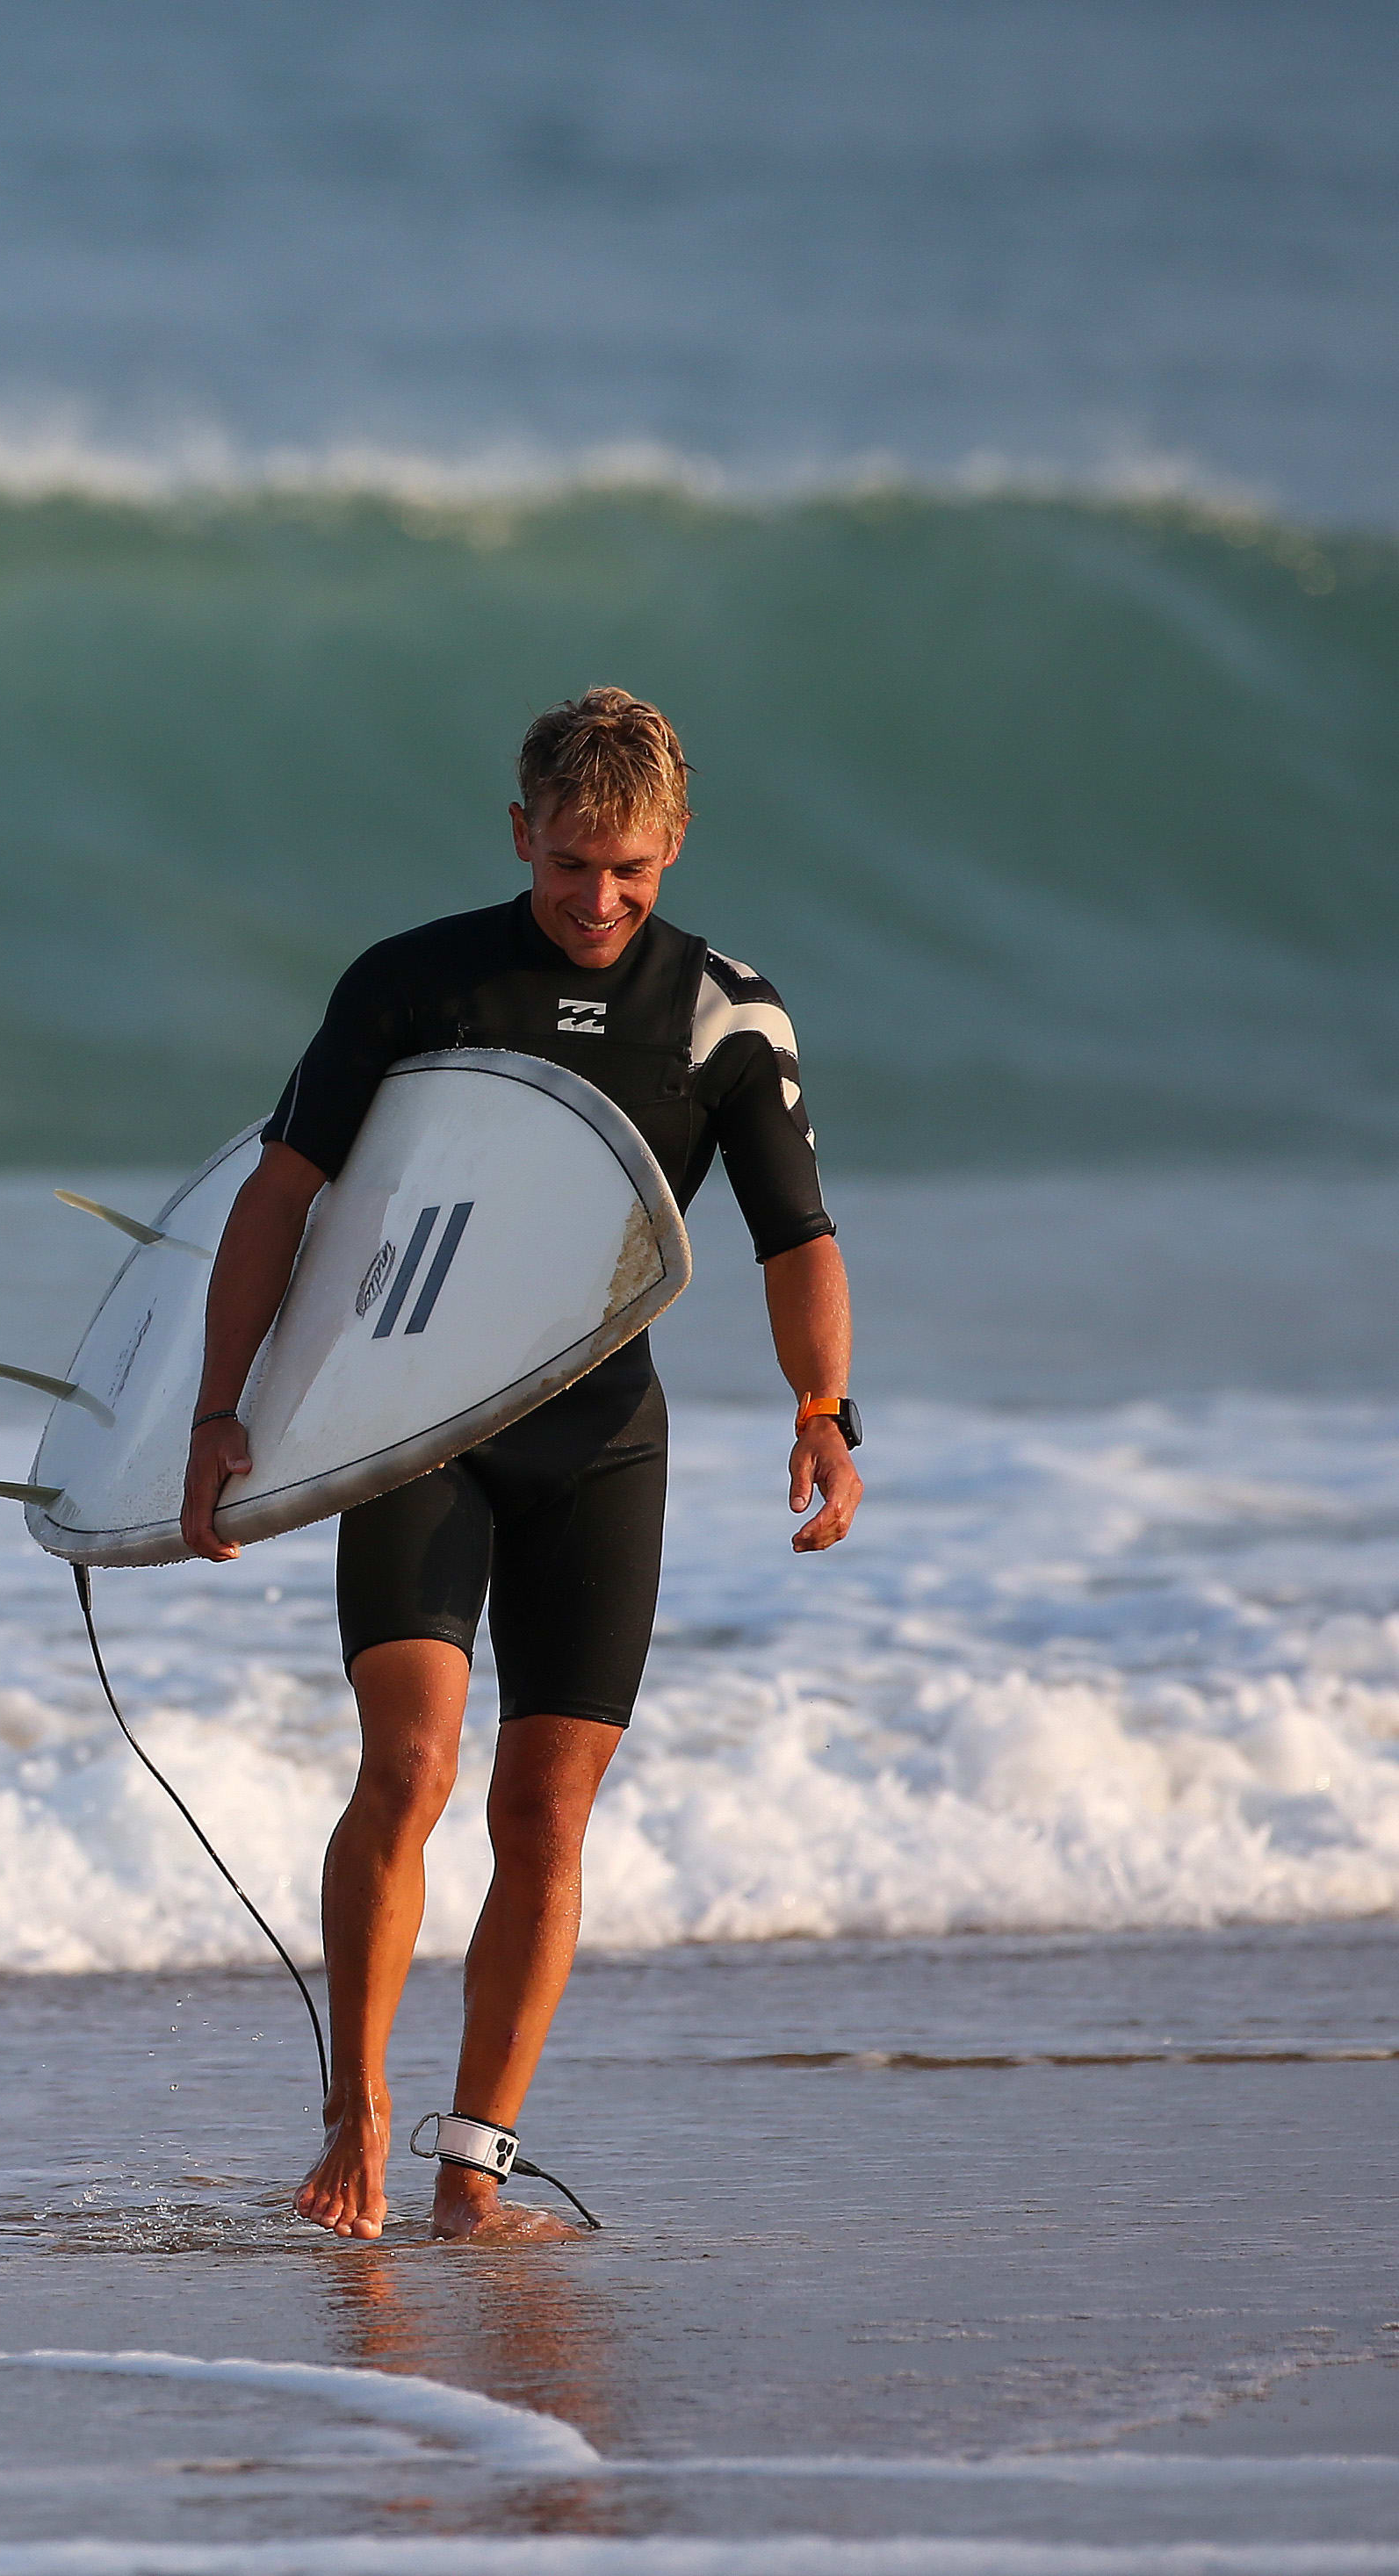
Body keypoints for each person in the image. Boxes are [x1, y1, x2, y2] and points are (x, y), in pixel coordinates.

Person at [182, 689, 862, 2241]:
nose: (598, 899)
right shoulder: (418, 983)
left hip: (599, 1439)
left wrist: (824, 1407)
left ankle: (471, 2163)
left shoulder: (727, 1018)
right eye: (569, 865)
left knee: (545, 1814)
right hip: (417, 1429)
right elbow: (280, 1195)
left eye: (629, 869)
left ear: (673, 844)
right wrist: (221, 1410)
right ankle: (354, 2108)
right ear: (519, 835)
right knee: (409, 1766)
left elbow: (794, 1233)